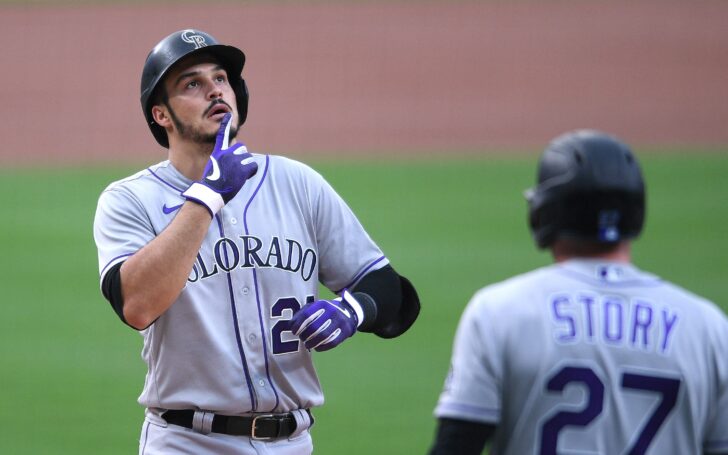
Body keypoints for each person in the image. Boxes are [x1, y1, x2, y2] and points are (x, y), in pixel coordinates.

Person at [93, 29, 419, 455]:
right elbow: (136, 305)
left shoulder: (296, 183)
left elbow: (392, 291)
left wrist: (354, 309)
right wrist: (207, 196)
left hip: (294, 443)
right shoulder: (131, 199)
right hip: (188, 442)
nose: (214, 90)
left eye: (221, 78)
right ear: (162, 115)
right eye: (192, 83)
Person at [429, 129, 728, 455]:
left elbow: (455, 447)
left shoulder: (499, 312)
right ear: (636, 212)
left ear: (544, 213)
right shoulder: (709, 327)